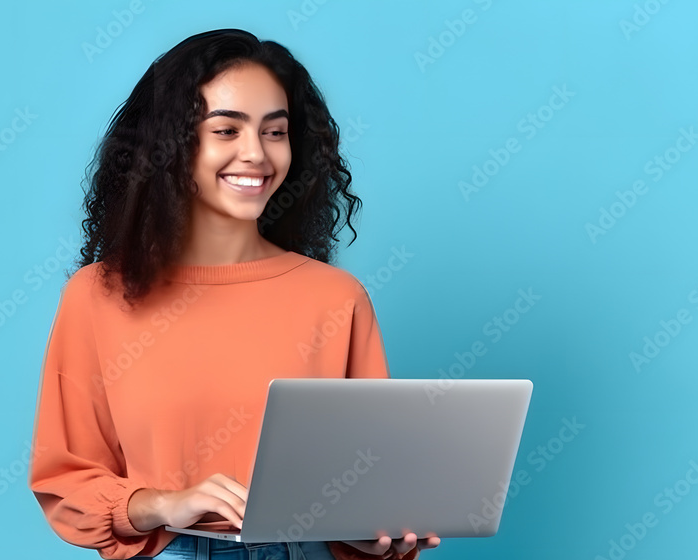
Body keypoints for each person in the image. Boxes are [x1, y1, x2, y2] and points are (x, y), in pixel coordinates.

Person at [27, 28, 440, 560]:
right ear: (170, 145)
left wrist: (374, 539)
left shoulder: (336, 298)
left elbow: (363, 485)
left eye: (275, 131)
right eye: (226, 130)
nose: (257, 155)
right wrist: (164, 504)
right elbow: (66, 482)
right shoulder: (97, 297)